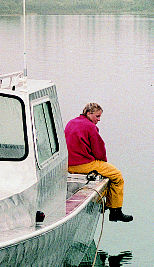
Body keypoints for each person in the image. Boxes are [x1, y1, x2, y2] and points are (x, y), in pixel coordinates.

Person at [65, 103, 133, 222]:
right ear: (89, 113)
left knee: (108, 173)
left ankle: (107, 203)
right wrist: (103, 163)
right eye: (97, 116)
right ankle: (115, 211)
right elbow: (99, 149)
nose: (99, 119)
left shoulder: (71, 122)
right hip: (82, 164)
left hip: (67, 164)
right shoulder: (90, 127)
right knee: (117, 176)